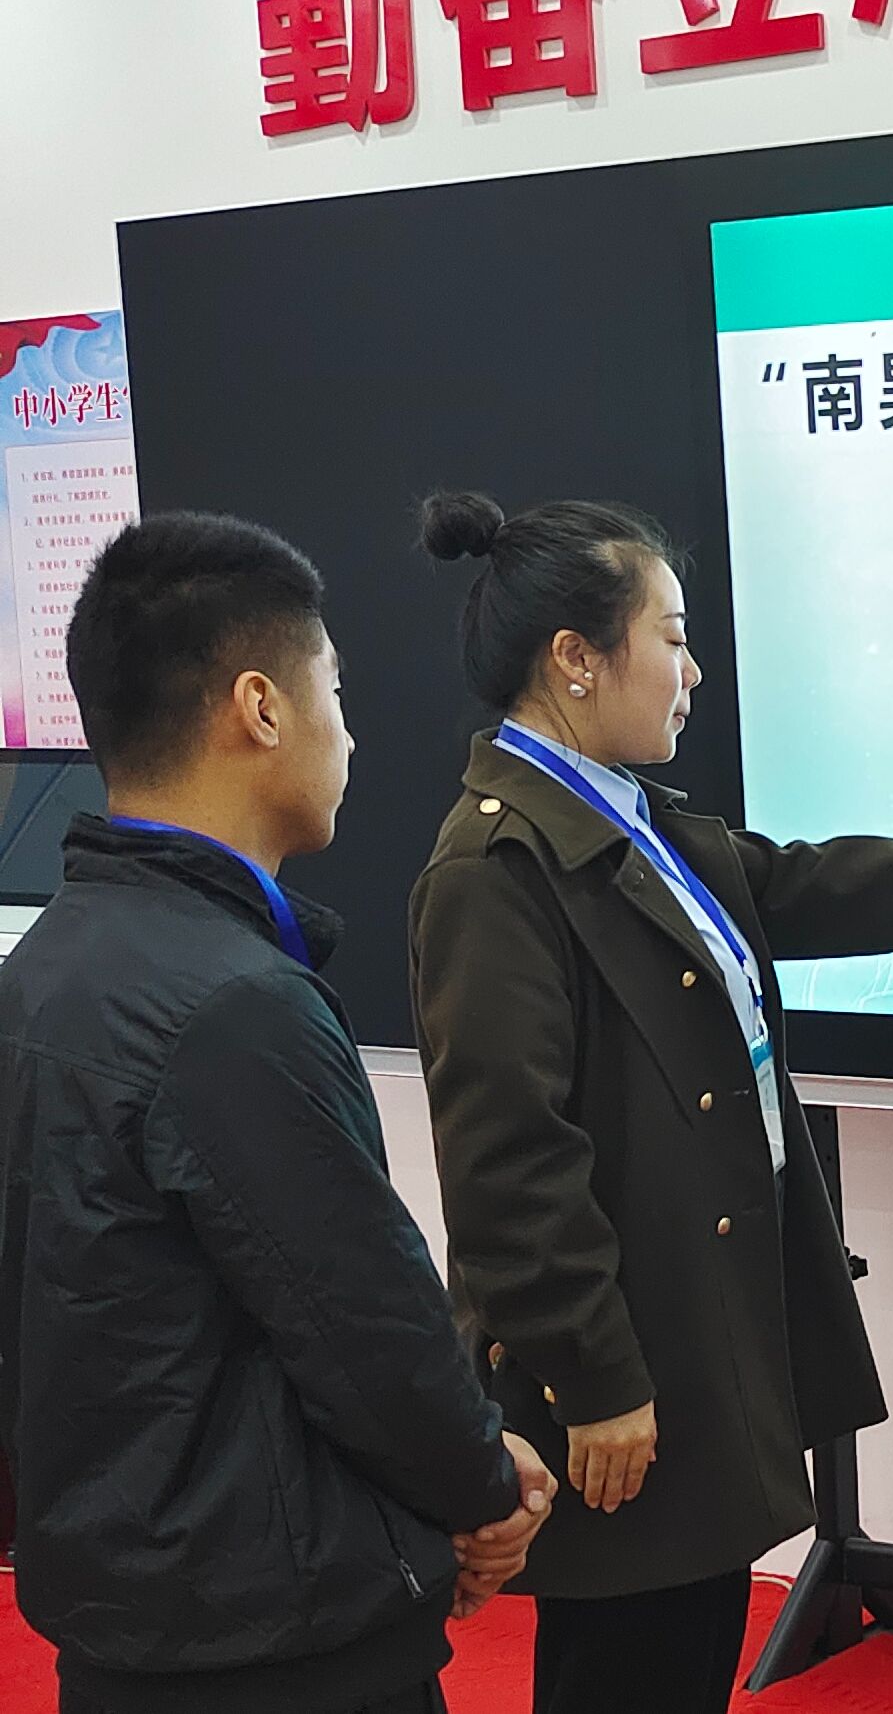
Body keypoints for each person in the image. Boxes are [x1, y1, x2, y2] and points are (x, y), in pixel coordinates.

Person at [405, 492, 893, 1714]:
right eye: (670, 638)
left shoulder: (628, 820)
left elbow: (827, 886)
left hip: (688, 1340)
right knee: (628, 1668)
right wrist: (594, 1381)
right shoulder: (497, 868)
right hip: (624, 1370)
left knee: (678, 1652)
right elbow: (510, 1167)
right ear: (574, 659)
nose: (692, 673)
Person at [0, 512, 556, 1714]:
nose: (348, 734)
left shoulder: (43, 970)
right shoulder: (234, 1005)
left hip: (122, 1623)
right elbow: (366, 1327)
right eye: (334, 693)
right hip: (275, 1638)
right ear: (259, 707)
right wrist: (483, 1486)